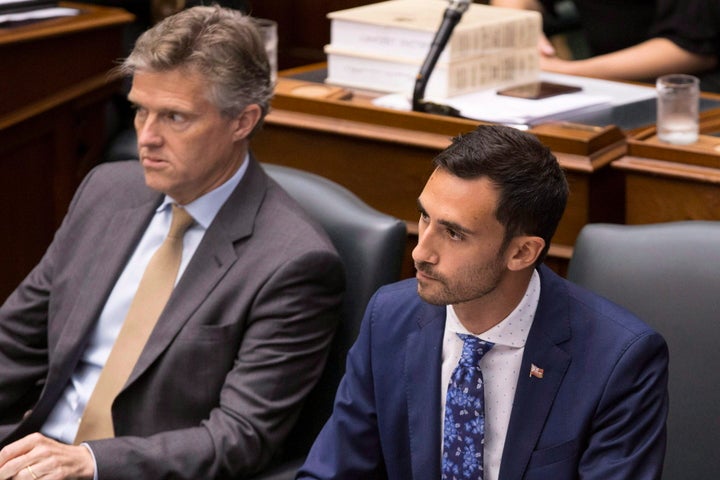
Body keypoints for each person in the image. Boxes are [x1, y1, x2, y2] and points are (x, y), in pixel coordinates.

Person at [0, 6, 344, 480]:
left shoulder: (295, 261)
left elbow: (241, 436)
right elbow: (13, 343)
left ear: (242, 121)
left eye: (175, 117)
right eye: (141, 110)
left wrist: (91, 463)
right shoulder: (106, 191)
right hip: (28, 457)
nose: (147, 137)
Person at [296, 124, 669, 480]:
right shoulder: (390, 318)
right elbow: (333, 470)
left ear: (522, 252)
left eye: (454, 233)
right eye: (425, 216)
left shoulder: (618, 361)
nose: (421, 251)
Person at [491, 0, 720, 92]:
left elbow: (695, 48)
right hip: (601, 84)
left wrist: (564, 71)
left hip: (692, 90)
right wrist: (519, 26)